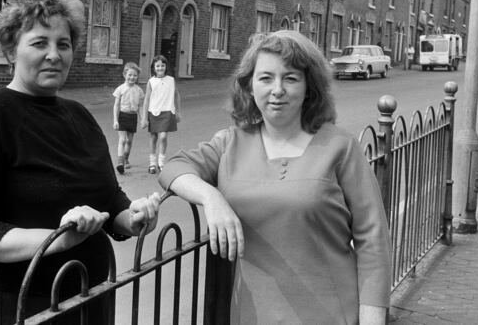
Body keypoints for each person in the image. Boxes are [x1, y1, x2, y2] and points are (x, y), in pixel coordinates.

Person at [0, 0, 160, 325]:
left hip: (91, 293)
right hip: (21, 304)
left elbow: (108, 199)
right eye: (39, 43)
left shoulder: (79, 116)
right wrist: (58, 239)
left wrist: (132, 218)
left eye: (63, 44)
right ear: (11, 51)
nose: (54, 54)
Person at [159, 30, 391, 324]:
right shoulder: (230, 143)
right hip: (251, 315)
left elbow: (373, 243)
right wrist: (211, 197)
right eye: (266, 78)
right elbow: (173, 167)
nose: (277, 89)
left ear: (309, 86)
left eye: (291, 78)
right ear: (250, 85)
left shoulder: (341, 147)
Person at [140, 55, 181, 174]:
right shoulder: (151, 81)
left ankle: (161, 162)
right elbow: (147, 99)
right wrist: (144, 117)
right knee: (153, 137)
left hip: (167, 111)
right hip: (154, 111)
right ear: (153, 68)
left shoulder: (171, 80)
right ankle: (152, 163)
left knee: (163, 137)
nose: (160, 68)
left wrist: (178, 112)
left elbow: (176, 95)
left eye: (162, 65)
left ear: (166, 67)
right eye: (157, 66)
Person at [112, 62, 145, 174]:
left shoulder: (139, 90)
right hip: (122, 116)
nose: (132, 77)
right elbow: (116, 106)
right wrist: (115, 120)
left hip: (132, 117)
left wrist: (142, 119)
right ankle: (120, 162)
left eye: (135, 75)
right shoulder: (120, 89)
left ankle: (126, 158)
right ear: (124, 75)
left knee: (129, 141)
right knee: (123, 140)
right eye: (130, 75)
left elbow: (140, 106)